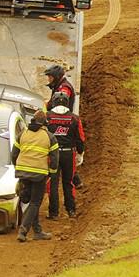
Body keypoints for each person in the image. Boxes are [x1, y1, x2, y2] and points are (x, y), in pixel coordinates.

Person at [12, 109, 59, 242]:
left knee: (30, 201)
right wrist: (51, 173)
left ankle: (37, 231)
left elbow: (14, 154)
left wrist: (18, 168)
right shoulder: (49, 137)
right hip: (39, 173)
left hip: (23, 172)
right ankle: (23, 231)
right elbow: (55, 160)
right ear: (45, 123)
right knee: (35, 202)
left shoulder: (23, 134)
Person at [43, 64, 84, 190]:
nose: (48, 79)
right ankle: (74, 180)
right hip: (63, 119)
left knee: (57, 147)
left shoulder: (64, 88)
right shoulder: (59, 85)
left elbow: (59, 100)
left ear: (55, 77)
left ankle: (71, 180)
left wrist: (47, 109)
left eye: (50, 77)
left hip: (62, 121)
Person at [46, 92, 86, 219]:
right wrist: (80, 153)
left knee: (53, 183)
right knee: (68, 182)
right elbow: (80, 138)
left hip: (52, 154)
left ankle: (54, 213)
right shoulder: (74, 118)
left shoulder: (48, 117)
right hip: (69, 153)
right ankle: (71, 210)